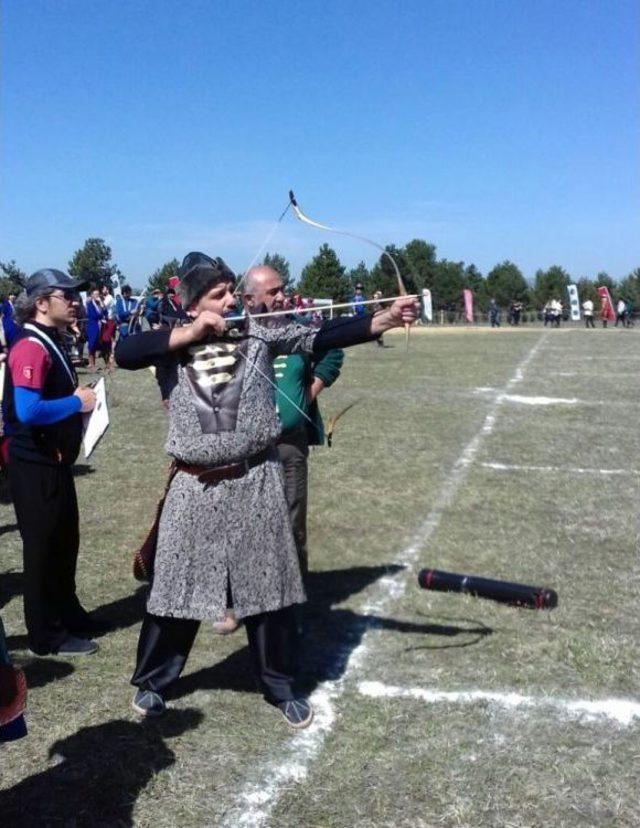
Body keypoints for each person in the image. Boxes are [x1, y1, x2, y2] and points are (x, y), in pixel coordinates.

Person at [115, 251, 417, 727]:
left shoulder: (260, 332)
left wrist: (380, 318)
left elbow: (322, 334)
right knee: (174, 589)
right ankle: (154, 682)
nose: (232, 299)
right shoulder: (168, 345)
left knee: (267, 590)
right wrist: (190, 335)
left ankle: (279, 685)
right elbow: (124, 353)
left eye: (233, 291)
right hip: (193, 486)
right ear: (193, 305)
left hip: (254, 478)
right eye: (220, 295)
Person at [5, 269, 98, 656]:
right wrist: (78, 402)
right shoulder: (30, 347)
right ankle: (46, 636)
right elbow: (28, 410)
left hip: (53, 462)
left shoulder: (49, 341)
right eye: (67, 296)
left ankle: (68, 616)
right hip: (35, 464)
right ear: (42, 303)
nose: (75, 301)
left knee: (64, 541)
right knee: (43, 549)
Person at [243, 265, 344, 585]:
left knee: (292, 521)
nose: (282, 297)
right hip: (246, 447)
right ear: (249, 299)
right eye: (273, 292)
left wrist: (311, 390)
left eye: (281, 290)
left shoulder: (300, 327)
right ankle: (235, 601)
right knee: (243, 521)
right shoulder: (234, 334)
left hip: (290, 443)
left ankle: (293, 592)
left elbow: (334, 349)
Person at [85, 288, 107, 370]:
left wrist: (102, 304)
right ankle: (91, 363)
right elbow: (94, 315)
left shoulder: (100, 303)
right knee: (92, 344)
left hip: (101, 326)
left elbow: (106, 313)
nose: (97, 296)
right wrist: (101, 315)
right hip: (93, 325)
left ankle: (106, 363)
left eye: (98, 294)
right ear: (92, 295)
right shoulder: (89, 304)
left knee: (102, 344)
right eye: (96, 294)